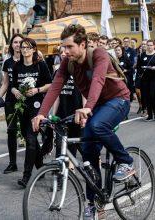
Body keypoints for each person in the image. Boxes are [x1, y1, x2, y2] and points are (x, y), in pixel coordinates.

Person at [32, 24, 134, 220]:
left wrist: (88, 107)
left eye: (69, 47)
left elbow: (98, 81)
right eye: (63, 47)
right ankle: (93, 203)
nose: (65, 51)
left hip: (118, 100)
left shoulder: (99, 55)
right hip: (97, 106)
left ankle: (126, 162)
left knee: (97, 126)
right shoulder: (67, 62)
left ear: (83, 44)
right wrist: (41, 113)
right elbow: (55, 87)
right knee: (88, 156)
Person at [11, 37, 51, 188]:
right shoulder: (17, 66)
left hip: (37, 106)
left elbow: (50, 84)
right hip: (22, 107)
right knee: (29, 139)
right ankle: (40, 168)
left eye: (28, 47)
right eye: (23, 47)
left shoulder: (40, 65)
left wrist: (37, 90)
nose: (25, 50)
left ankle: (26, 176)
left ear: (34, 49)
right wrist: (16, 92)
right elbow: (13, 85)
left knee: (30, 138)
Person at [0, 33, 24, 174]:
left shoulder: (28, 60)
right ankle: (12, 163)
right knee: (11, 131)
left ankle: (37, 162)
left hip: (26, 101)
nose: (18, 45)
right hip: (11, 101)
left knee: (27, 132)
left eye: (20, 42)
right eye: (15, 42)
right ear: (11, 45)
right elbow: (6, 83)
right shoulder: (8, 62)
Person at [52, 45, 83, 169]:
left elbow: (85, 95)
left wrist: (85, 113)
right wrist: (53, 115)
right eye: (61, 52)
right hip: (62, 115)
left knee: (82, 147)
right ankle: (62, 175)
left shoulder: (79, 70)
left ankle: (93, 171)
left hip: (77, 114)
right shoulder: (57, 72)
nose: (64, 54)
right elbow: (56, 96)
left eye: (66, 51)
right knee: (61, 147)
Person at [137, 40, 155, 121]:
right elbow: (139, 66)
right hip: (145, 78)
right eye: (148, 45)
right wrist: (140, 72)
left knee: (152, 94)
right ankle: (150, 114)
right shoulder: (143, 54)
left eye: (151, 45)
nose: (149, 47)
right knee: (146, 96)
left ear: (154, 46)